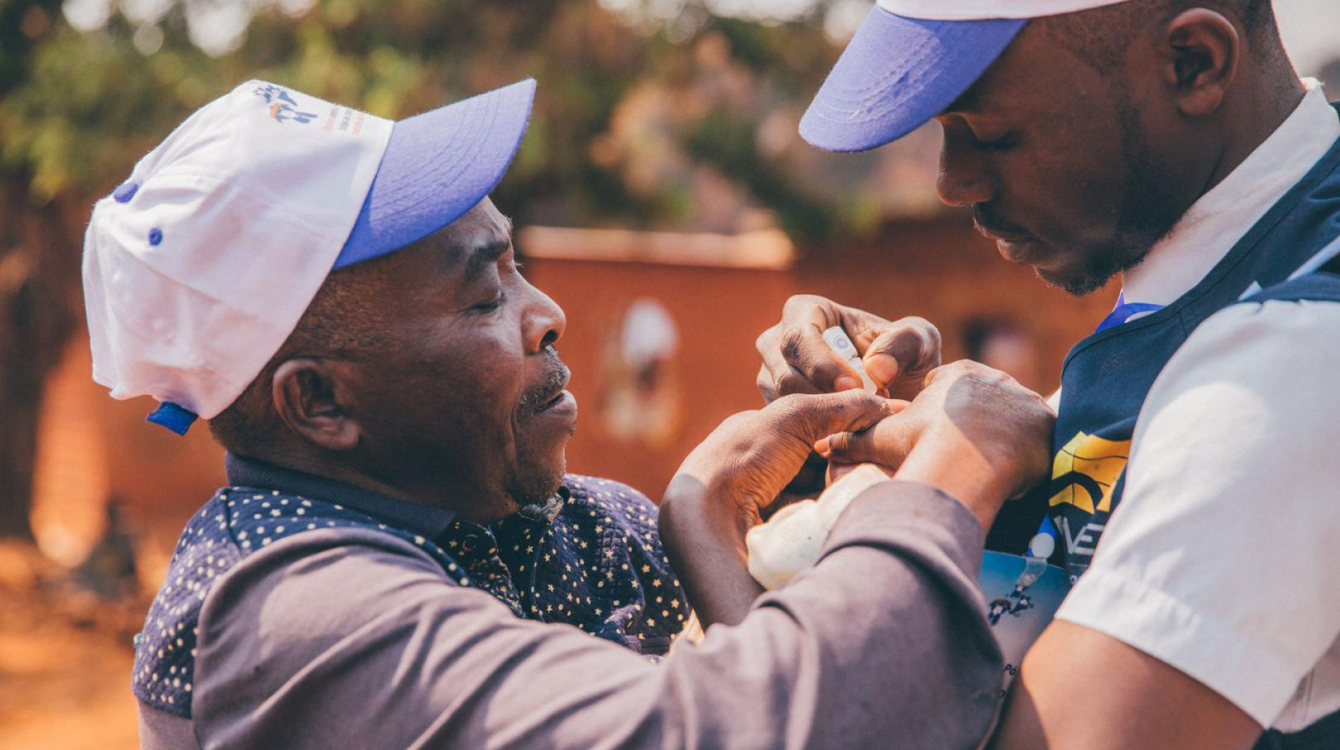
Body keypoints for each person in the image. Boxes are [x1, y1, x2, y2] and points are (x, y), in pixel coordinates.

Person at [85, 78, 1056, 749]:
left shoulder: (557, 524)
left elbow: (802, 645)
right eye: (482, 297)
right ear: (323, 402)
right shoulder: (290, 620)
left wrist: (858, 442)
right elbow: (770, 727)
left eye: (516, 265)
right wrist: (955, 466)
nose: (544, 315)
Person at [753, 1, 1340, 748]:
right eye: (944, 130)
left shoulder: (1294, 359)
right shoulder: (1229, 261)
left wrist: (707, 523)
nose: (950, 181)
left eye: (992, 133)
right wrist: (956, 425)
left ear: (1193, 64)